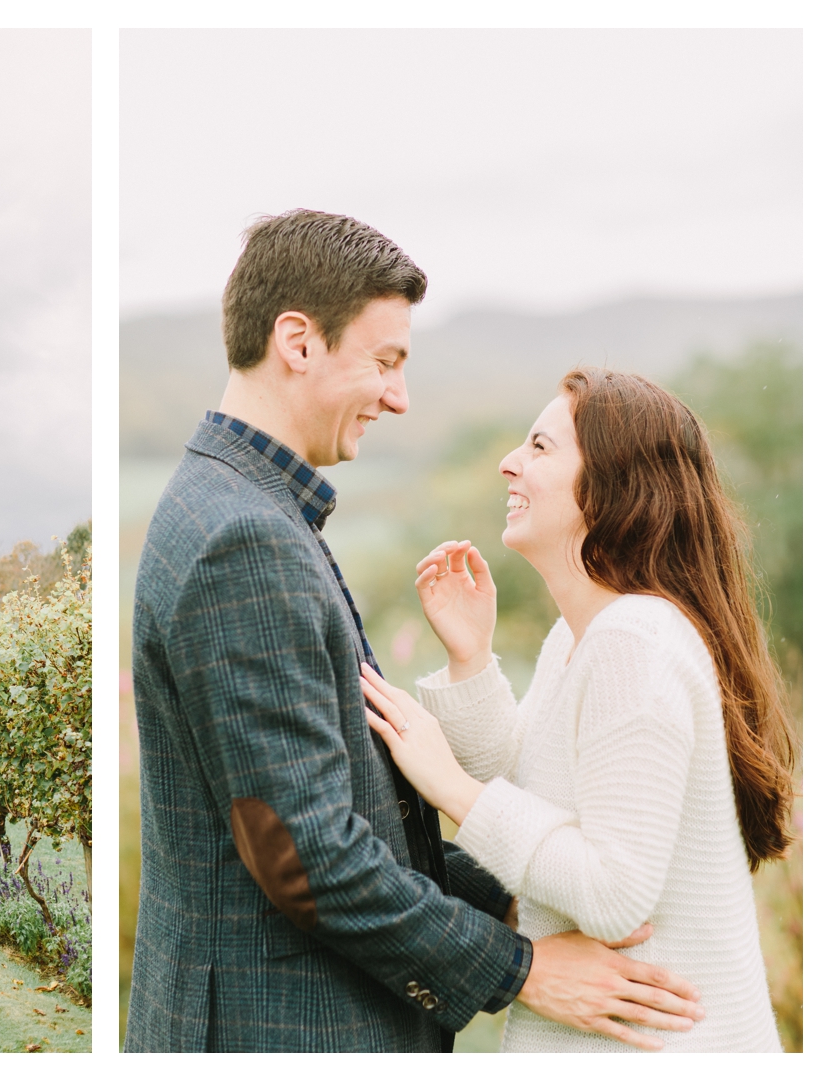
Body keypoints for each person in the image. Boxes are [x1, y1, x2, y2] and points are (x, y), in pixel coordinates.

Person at [124, 210, 705, 1053]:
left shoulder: (246, 508)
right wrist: (524, 967)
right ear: (298, 342)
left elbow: (357, 815)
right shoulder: (243, 538)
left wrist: (522, 897)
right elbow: (307, 854)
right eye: (386, 361)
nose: (399, 396)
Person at [358, 368, 793, 1051]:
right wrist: (472, 659)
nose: (509, 462)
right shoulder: (585, 633)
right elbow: (533, 792)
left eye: (538, 447)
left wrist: (451, 788)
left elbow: (614, 891)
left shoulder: (634, 642)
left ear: (611, 484)